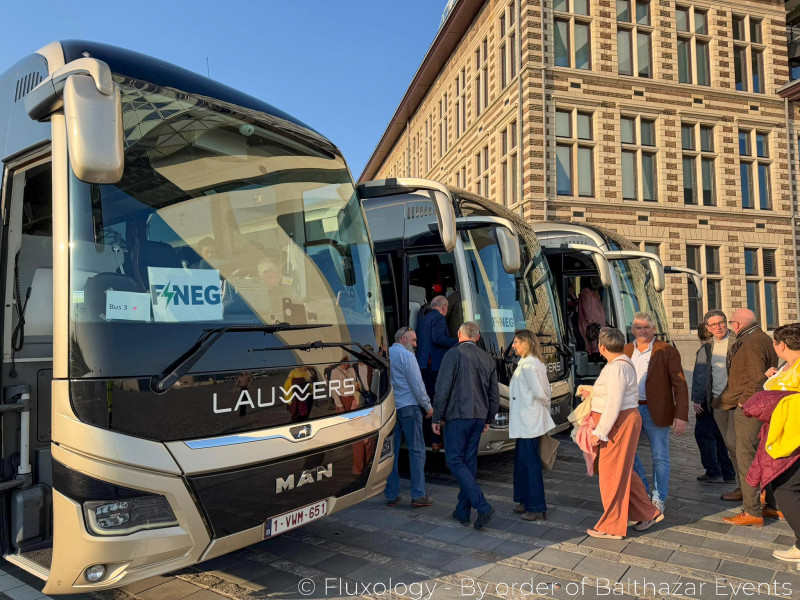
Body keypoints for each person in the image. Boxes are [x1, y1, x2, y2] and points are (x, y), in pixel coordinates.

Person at [581, 327, 662, 539]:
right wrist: (593, 393)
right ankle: (647, 512)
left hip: (618, 422)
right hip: (622, 420)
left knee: (611, 475)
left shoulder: (617, 367)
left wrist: (600, 431)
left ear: (601, 347)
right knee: (622, 471)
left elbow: (614, 403)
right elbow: (614, 395)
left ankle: (613, 526)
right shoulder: (619, 364)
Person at [432, 321, 499, 530]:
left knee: (454, 459)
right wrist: (488, 418)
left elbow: (442, 388)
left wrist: (436, 417)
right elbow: (494, 394)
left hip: (458, 415)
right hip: (478, 416)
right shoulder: (487, 358)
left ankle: (482, 505)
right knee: (468, 463)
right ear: (477, 337)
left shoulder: (453, 354)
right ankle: (462, 511)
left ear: (459, 334)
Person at [743, 324, 800, 562]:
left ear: (781, 345)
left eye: (774, 343)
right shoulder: (789, 366)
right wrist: (774, 378)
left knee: (786, 488)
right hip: (784, 435)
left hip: (792, 439)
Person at [717, 308, 779, 526]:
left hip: (749, 408)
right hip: (750, 405)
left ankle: (752, 510)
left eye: (731, 322)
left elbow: (756, 377)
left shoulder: (751, 342)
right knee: (750, 451)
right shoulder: (760, 337)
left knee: (746, 456)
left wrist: (746, 401)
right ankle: (769, 503)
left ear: (736, 324)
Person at [625, 313, 689, 515]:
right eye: (638, 327)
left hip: (656, 411)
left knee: (660, 457)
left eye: (646, 327)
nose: (642, 331)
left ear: (653, 329)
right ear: (632, 330)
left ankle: (659, 497)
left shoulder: (666, 350)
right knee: (629, 454)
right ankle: (644, 494)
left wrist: (681, 415)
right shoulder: (626, 350)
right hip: (630, 410)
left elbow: (680, 384)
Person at [384, 327, 434, 508]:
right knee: (417, 451)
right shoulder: (407, 356)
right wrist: (427, 406)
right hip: (409, 407)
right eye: (413, 340)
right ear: (403, 339)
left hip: (390, 408)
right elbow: (417, 384)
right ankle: (418, 495)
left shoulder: (386, 354)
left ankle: (391, 495)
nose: (416, 344)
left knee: (391, 453)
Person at [509, 330, 554, 521]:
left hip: (527, 421)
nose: (513, 345)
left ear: (526, 343)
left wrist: (540, 405)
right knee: (522, 463)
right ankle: (524, 501)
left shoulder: (527, 365)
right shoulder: (535, 362)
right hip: (529, 421)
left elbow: (541, 393)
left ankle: (535, 507)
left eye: (516, 342)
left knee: (529, 464)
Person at [692, 314, 737, 484]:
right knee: (720, 437)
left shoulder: (707, 349)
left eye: (721, 323)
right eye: (713, 325)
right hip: (718, 399)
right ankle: (728, 472)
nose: (718, 327)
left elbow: (701, 376)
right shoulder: (711, 346)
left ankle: (714, 471)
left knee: (705, 435)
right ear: (708, 329)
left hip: (711, 399)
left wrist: (697, 398)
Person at [417, 295, 458, 450]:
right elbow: (438, 338)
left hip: (423, 365)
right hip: (434, 366)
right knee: (437, 401)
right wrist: (458, 341)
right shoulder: (439, 318)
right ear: (444, 307)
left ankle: (428, 439)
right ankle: (436, 439)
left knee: (427, 402)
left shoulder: (423, 318)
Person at [578, 279, 605, 354]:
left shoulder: (594, 292)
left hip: (595, 324)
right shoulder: (586, 291)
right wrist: (590, 321)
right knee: (592, 344)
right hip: (592, 325)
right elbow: (586, 308)